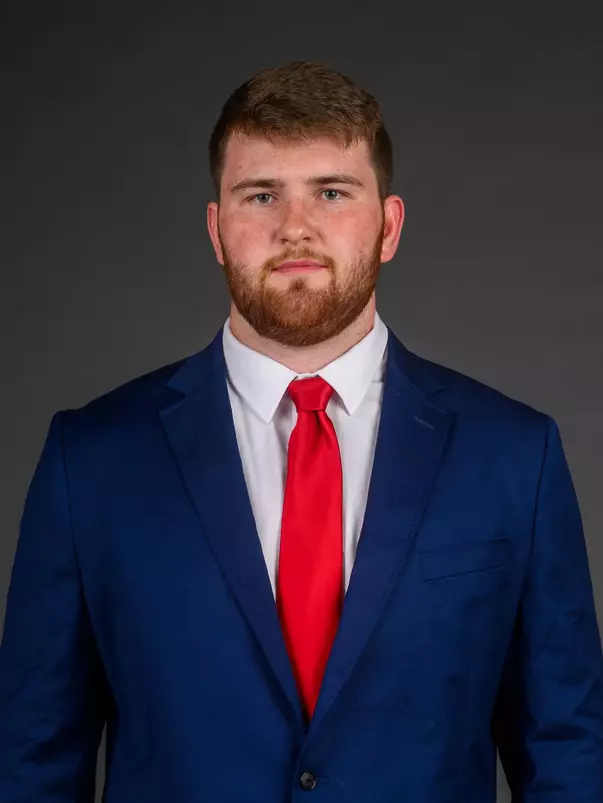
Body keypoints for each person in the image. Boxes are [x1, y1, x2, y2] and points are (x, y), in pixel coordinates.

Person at [0, 60, 602, 803]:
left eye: (330, 191)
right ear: (218, 230)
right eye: (261, 194)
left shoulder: (514, 455)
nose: (295, 227)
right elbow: (30, 760)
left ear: (388, 226)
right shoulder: (89, 460)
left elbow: (568, 752)